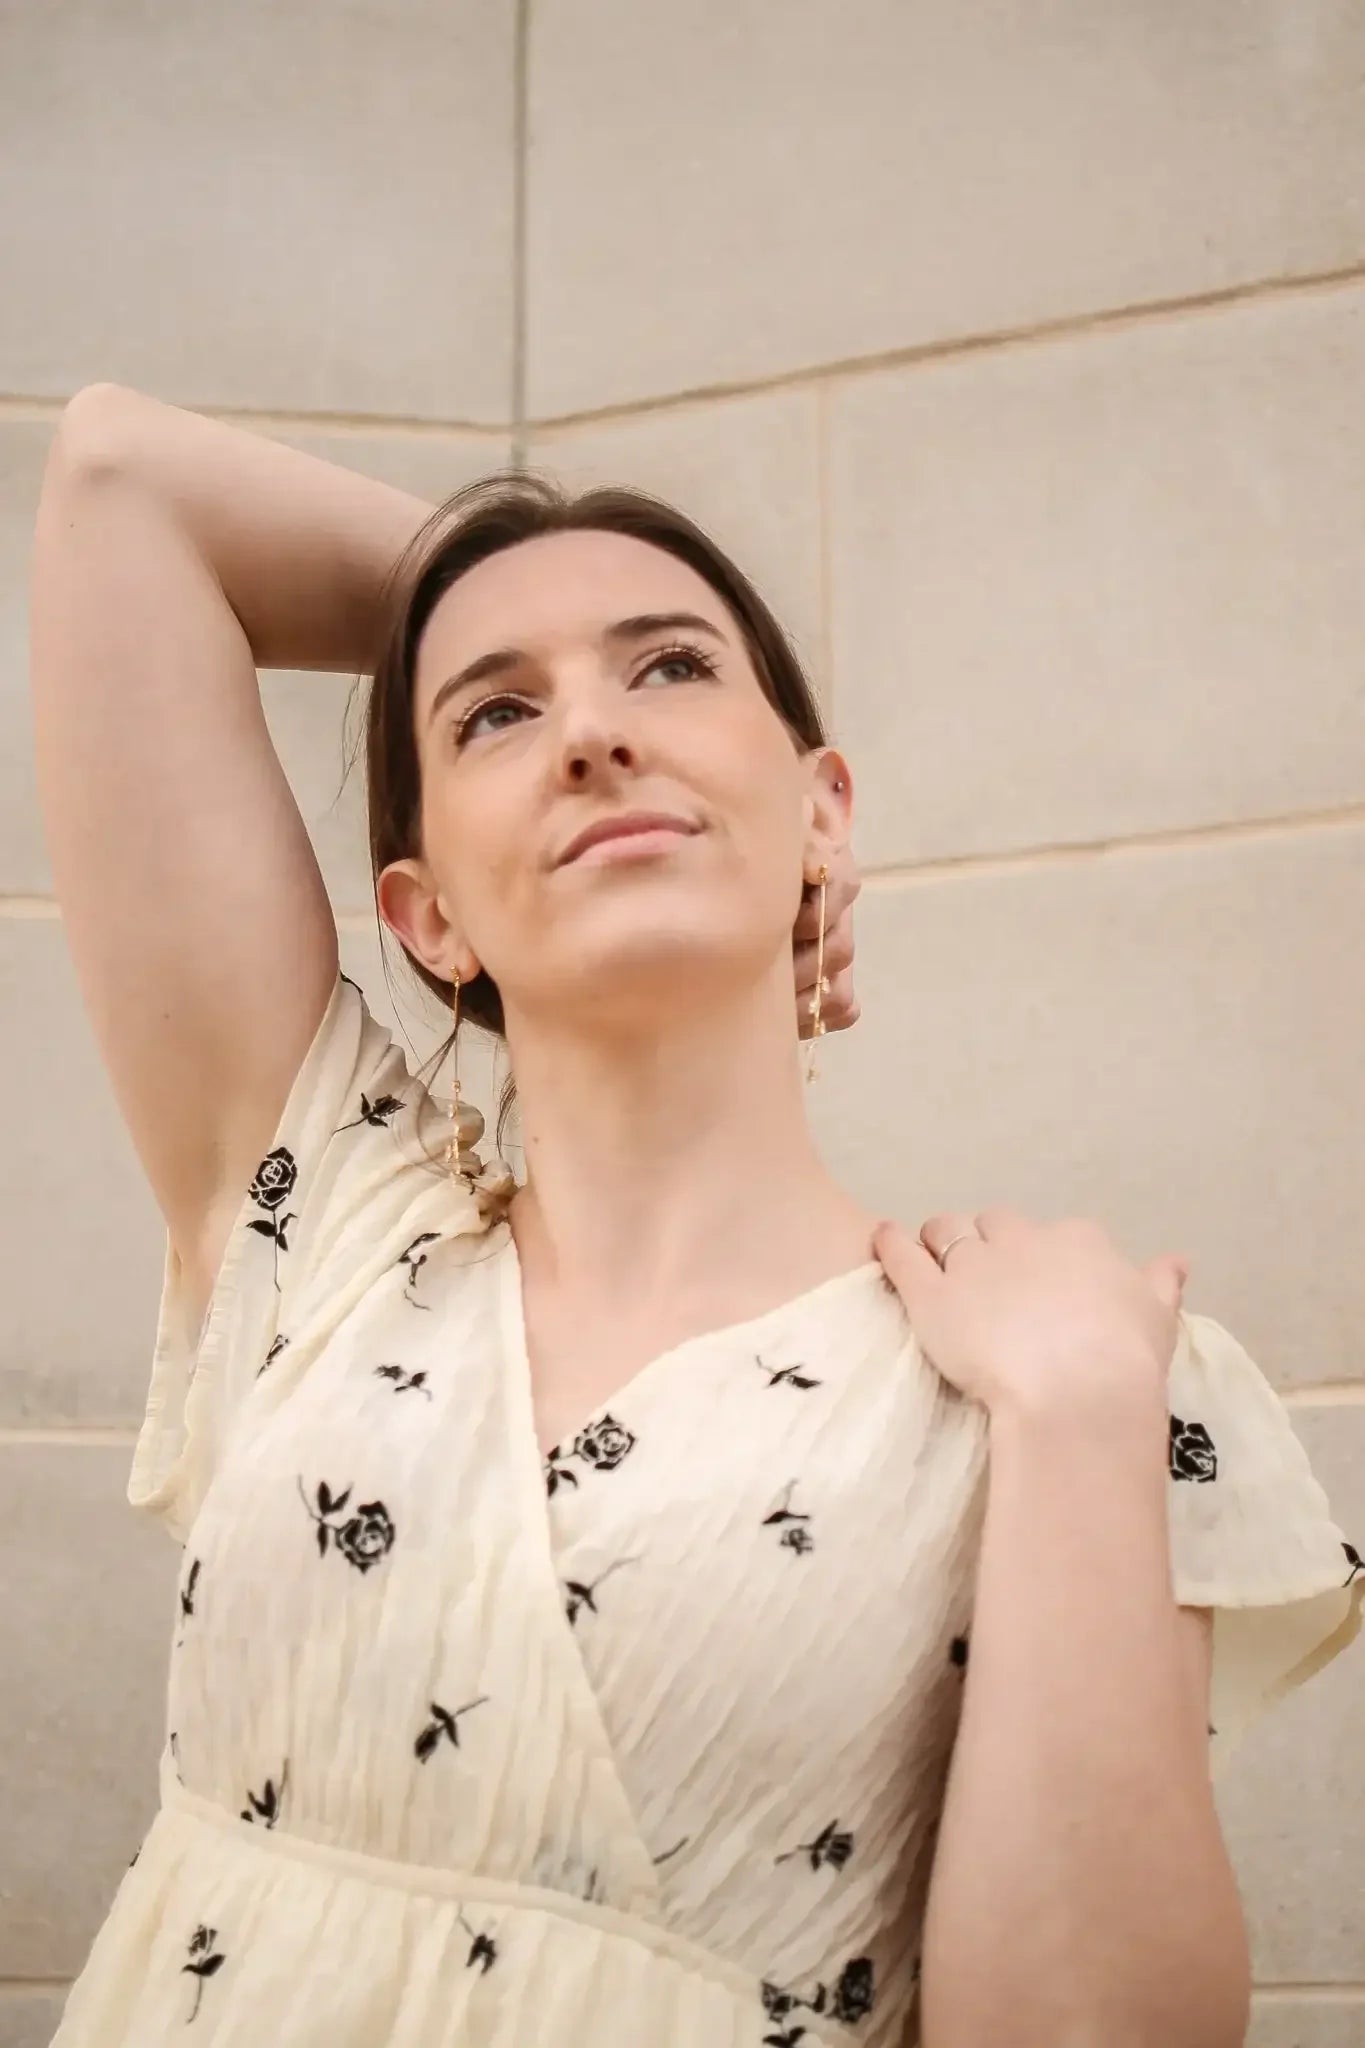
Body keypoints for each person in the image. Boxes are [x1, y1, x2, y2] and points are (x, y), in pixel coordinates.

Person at [29, 382, 1361, 2048]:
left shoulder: (1071, 1373)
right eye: (494, 719)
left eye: (670, 665)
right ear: (426, 914)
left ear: (823, 812)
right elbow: (116, 479)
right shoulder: (326, 1218)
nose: (592, 732)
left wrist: (1084, 1415)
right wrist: (492, 574)